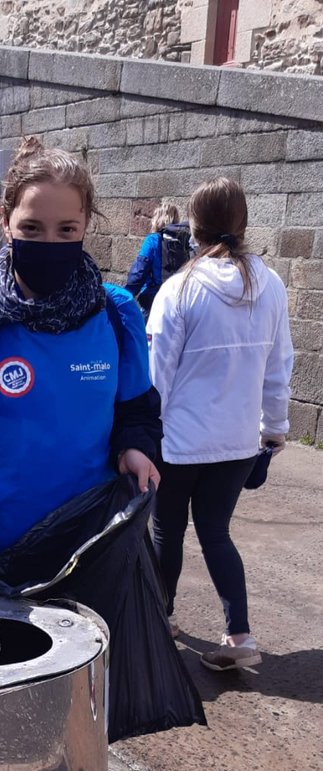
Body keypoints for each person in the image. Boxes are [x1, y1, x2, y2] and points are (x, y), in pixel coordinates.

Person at [0, 136, 161, 579]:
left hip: (94, 551)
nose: (50, 242)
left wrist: (135, 448)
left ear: (84, 228)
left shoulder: (117, 315)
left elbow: (137, 412)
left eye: (67, 230)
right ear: (6, 223)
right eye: (32, 228)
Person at [147, 176, 293, 671]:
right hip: (238, 442)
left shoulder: (180, 288)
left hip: (180, 442)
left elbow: (158, 375)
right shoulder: (270, 284)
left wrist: (144, 432)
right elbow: (280, 367)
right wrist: (273, 431)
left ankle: (162, 617)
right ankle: (240, 636)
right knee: (216, 533)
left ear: (195, 227)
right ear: (242, 223)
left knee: (167, 530)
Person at [126, 201, 190, 315]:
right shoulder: (184, 241)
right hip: (178, 301)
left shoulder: (153, 239)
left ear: (158, 219)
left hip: (153, 300)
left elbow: (139, 271)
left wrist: (125, 295)